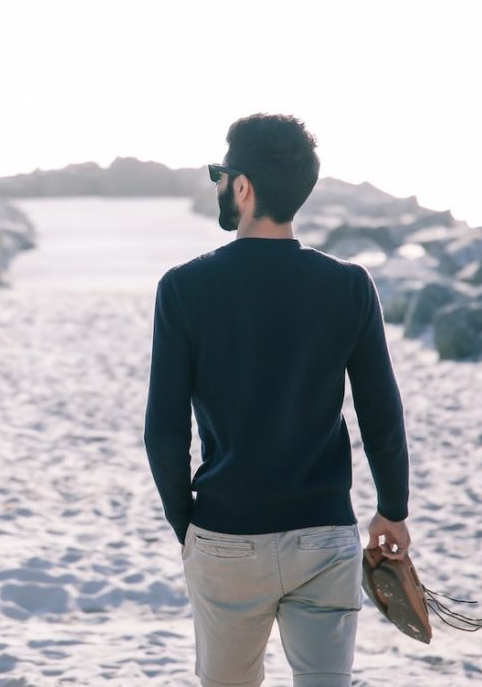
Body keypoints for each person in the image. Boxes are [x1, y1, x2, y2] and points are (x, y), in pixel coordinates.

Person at [143, 113, 412, 687]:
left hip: (225, 536)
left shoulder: (184, 288)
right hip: (323, 534)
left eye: (221, 173)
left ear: (242, 187)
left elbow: (164, 431)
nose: (218, 183)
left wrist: (186, 528)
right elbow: (380, 412)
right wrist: (393, 508)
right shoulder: (349, 285)